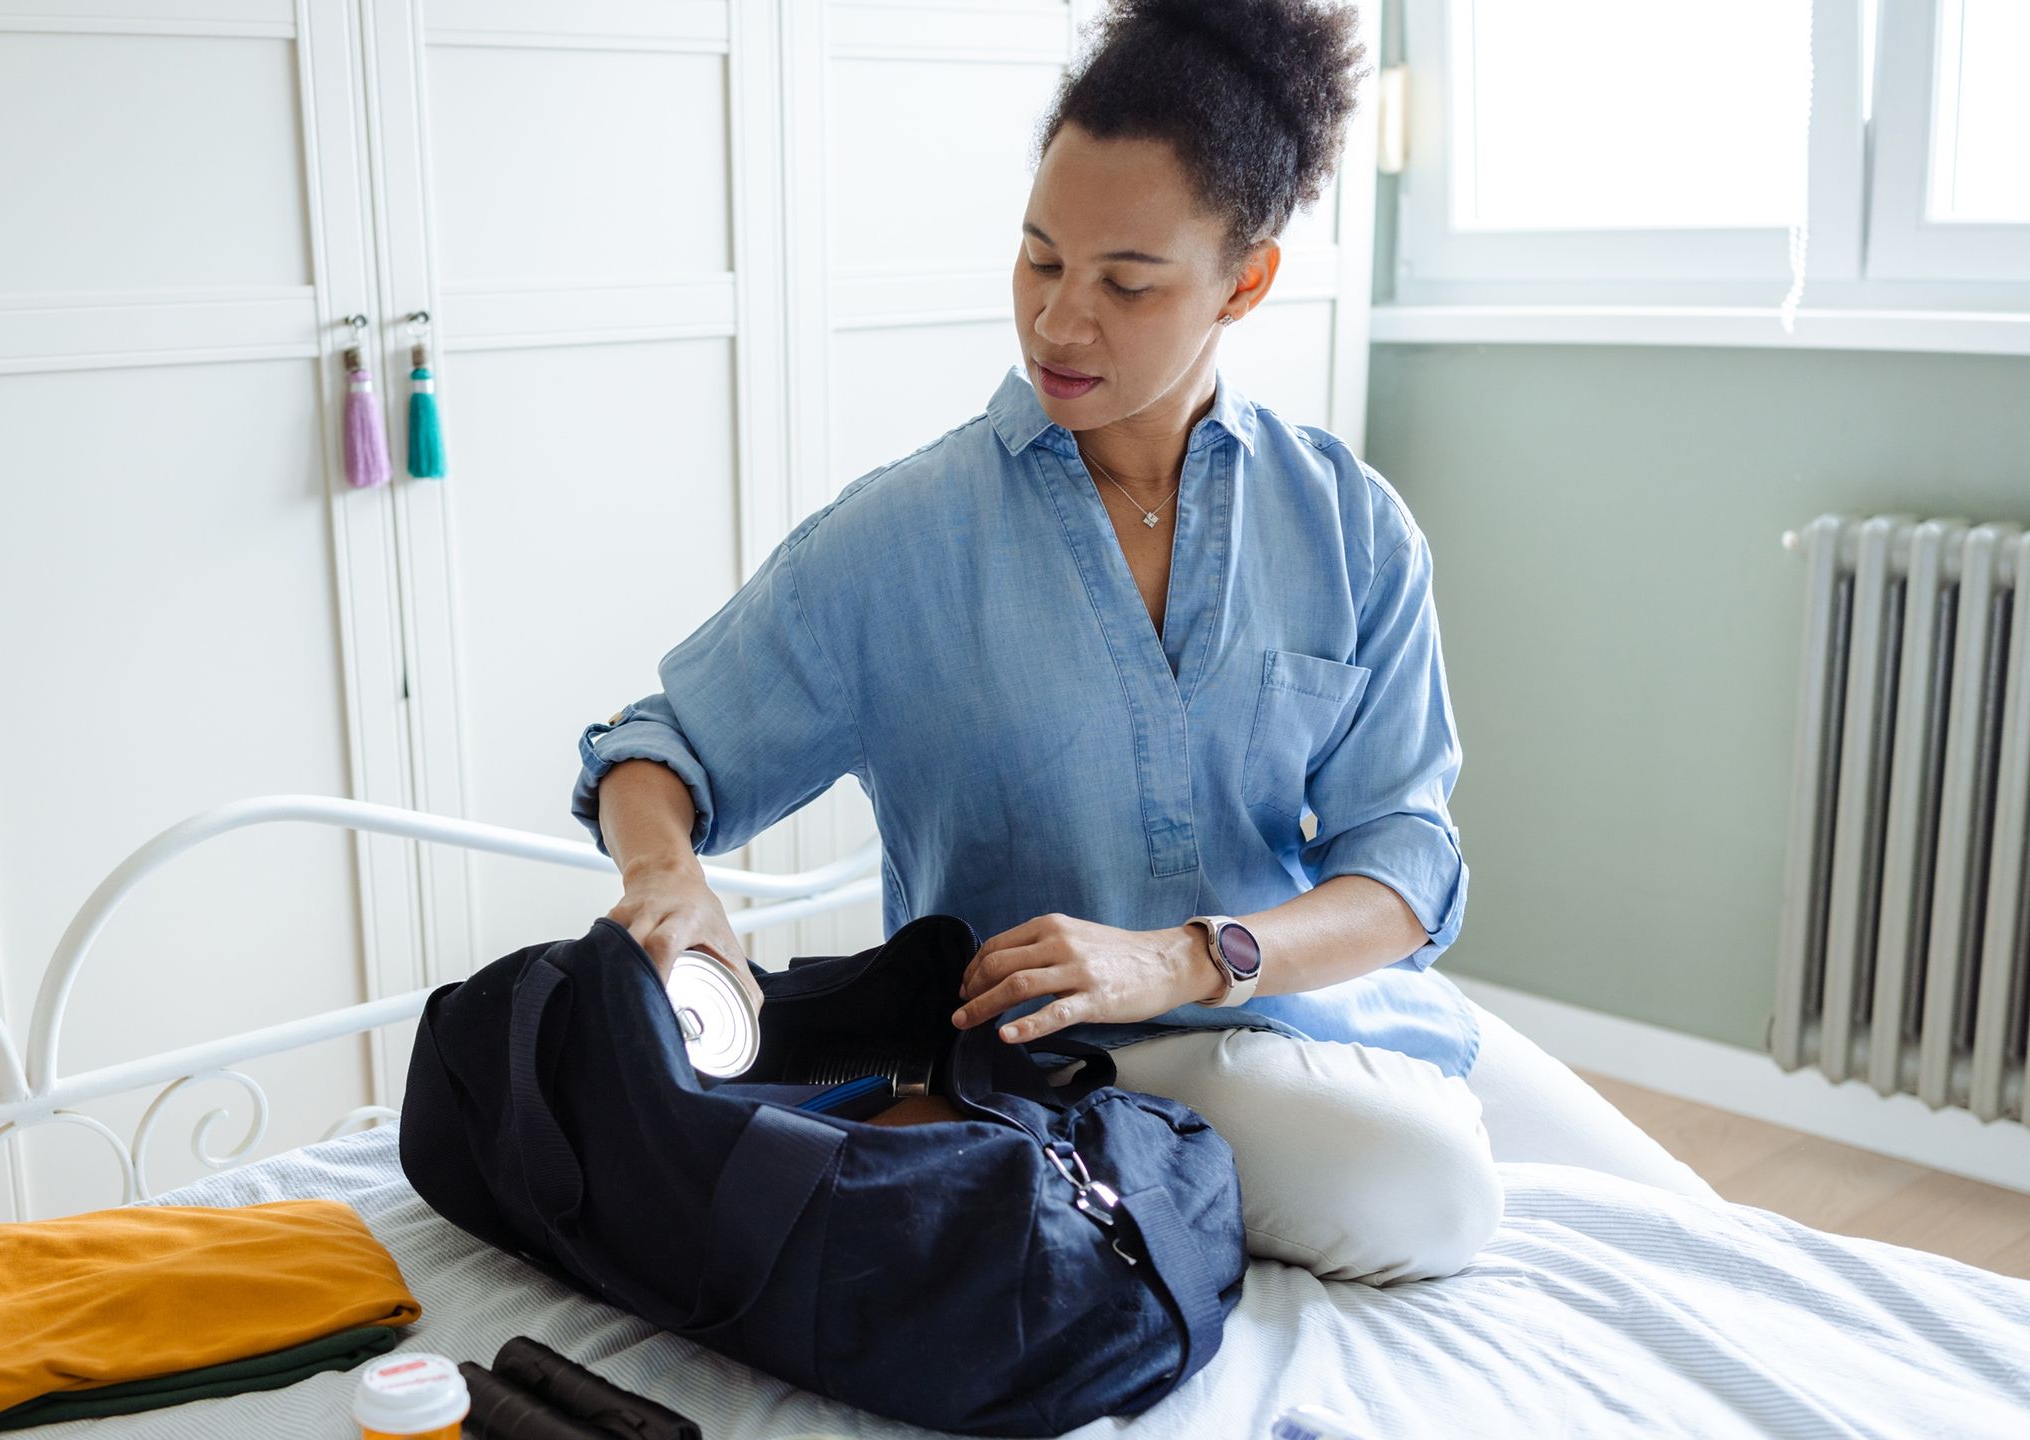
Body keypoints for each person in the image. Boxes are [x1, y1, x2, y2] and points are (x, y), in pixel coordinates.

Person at [572, 0, 1713, 1288]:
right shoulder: (905, 538)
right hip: (1065, 1055)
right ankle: (1016, 1150)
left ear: (1246, 279)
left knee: (1694, 1223)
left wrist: (1186, 954)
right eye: (1039, 260)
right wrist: (665, 870)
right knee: (1432, 1193)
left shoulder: (1350, 524)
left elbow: (1402, 877)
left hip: (1325, 1008)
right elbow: (658, 749)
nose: (1061, 322)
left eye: (1126, 281)